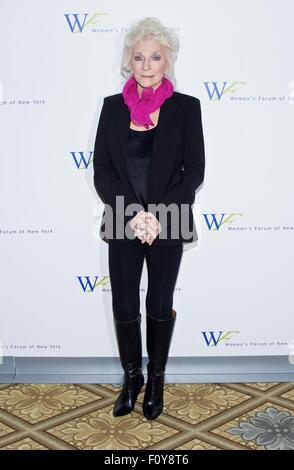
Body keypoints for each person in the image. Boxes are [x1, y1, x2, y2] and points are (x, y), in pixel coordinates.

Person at [93, 17, 205, 420]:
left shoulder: (186, 108)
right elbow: (102, 170)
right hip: (123, 218)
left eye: (154, 57)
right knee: (124, 304)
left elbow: (194, 171)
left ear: (167, 60)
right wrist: (135, 215)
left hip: (169, 220)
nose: (145, 64)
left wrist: (156, 215)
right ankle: (131, 378)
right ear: (129, 61)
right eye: (138, 57)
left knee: (159, 304)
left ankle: (156, 380)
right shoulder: (110, 107)